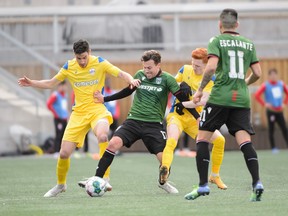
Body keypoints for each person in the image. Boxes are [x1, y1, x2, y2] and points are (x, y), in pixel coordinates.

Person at [18, 39, 140, 197]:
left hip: (97, 110)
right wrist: (32, 82)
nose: (82, 61)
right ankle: (60, 185)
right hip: (78, 114)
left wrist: (131, 80)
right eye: (78, 58)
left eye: (84, 57)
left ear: (89, 52)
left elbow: (121, 73)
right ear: (74, 56)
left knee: (103, 135)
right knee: (63, 153)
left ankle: (105, 178)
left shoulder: (100, 62)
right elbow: (51, 83)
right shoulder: (69, 66)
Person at [78, 50, 200, 194]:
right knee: (112, 144)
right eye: (144, 67)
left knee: (164, 159)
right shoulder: (139, 75)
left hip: (154, 124)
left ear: (158, 65)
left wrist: (197, 117)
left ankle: (163, 182)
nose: (146, 71)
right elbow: (127, 91)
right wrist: (105, 98)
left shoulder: (167, 79)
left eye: (149, 67)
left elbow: (183, 99)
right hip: (133, 121)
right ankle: (97, 178)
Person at [184, 8, 264, 201]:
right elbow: (258, 73)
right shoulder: (248, 44)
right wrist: (243, 83)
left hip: (219, 98)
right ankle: (257, 183)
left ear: (220, 25)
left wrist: (201, 89)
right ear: (237, 24)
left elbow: (211, 67)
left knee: (202, 139)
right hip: (241, 99)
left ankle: (203, 185)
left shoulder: (216, 41)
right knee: (245, 142)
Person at [159, 48, 227, 190]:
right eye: (193, 63)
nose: (194, 67)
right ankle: (164, 169)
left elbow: (202, 102)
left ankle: (215, 175)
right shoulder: (185, 69)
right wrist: (179, 86)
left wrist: (183, 104)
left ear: (206, 66)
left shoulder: (211, 79)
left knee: (220, 140)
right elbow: (172, 86)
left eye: (198, 66)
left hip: (195, 120)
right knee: (171, 140)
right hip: (177, 115)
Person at [255, 68, 288, 153]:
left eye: (274, 74)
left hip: (279, 111)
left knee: (284, 129)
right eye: (271, 74)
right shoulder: (266, 85)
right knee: (271, 129)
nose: (273, 76)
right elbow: (257, 95)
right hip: (271, 112)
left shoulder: (281, 84)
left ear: (277, 75)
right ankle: (273, 148)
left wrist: (284, 103)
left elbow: (287, 93)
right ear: (269, 76)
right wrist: (264, 104)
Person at [46, 81, 69, 155]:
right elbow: (49, 104)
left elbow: (64, 107)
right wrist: (56, 114)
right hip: (58, 119)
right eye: (63, 86)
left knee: (64, 136)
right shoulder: (55, 95)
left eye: (65, 86)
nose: (64, 88)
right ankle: (56, 151)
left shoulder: (65, 95)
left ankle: (63, 151)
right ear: (59, 86)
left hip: (64, 118)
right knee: (58, 135)